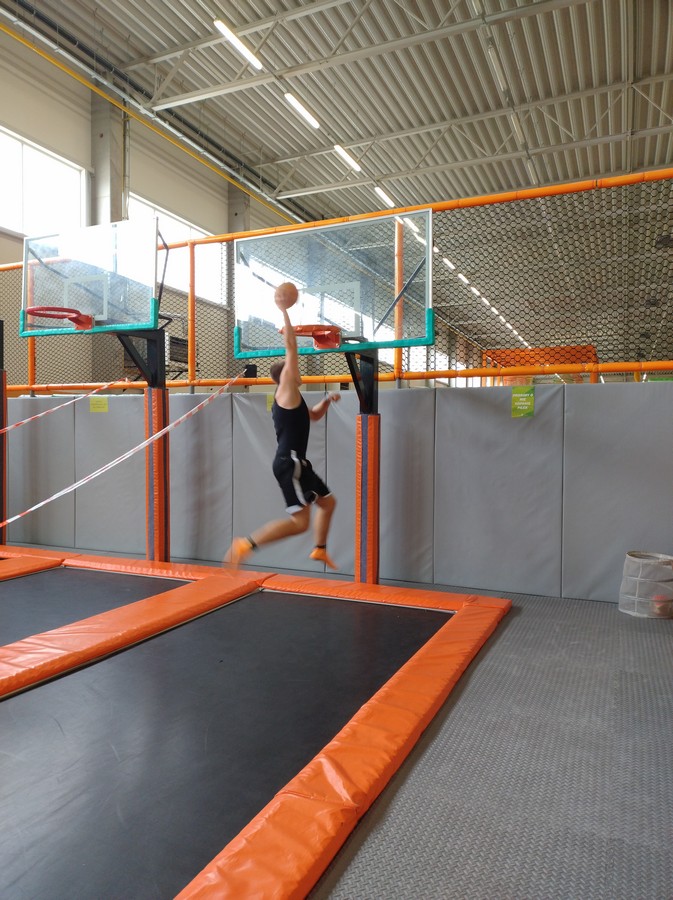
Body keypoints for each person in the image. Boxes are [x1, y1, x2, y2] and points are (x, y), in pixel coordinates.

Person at [225, 283, 340, 568]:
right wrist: (284, 311)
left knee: (328, 503)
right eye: (293, 369)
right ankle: (245, 544)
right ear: (287, 375)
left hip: (298, 462)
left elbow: (312, 416)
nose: (297, 371)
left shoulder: (293, 400)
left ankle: (320, 549)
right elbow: (290, 347)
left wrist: (326, 401)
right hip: (289, 463)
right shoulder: (286, 389)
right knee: (299, 523)